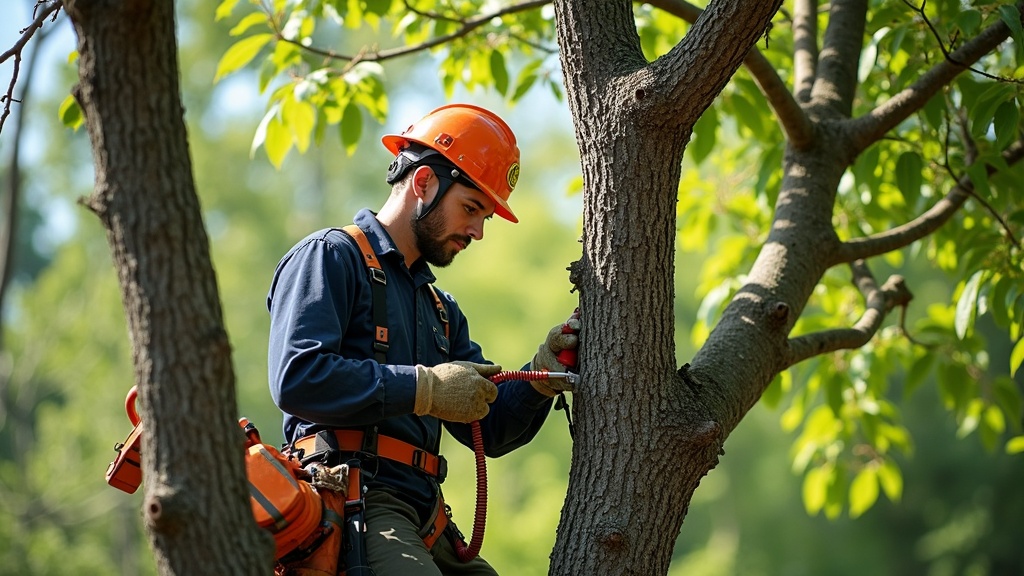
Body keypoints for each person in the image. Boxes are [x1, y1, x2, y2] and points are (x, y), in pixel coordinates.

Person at [266, 103, 580, 575]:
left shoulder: (440, 310)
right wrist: (426, 388)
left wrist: (541, 375)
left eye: (484, 218)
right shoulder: (331, 256)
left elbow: (487, 429)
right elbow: (298, 378)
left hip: (427, 516)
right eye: (471, 208)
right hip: (356, 498)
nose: (476, 231)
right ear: (424, 183)